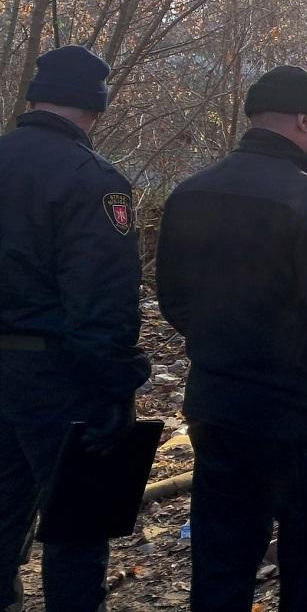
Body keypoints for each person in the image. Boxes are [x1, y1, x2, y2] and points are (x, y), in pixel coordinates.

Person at [155, 66, 307, 612]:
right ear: (302, 120)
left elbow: (174, 300)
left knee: (221, 559)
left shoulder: (189, 194)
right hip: (299, 416)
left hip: (218, 407)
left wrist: (223, 347)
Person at [0, 45, 149, 612]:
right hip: (56, 375)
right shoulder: (92, 181)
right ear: (95, 107)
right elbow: (103, 302)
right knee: (77, 527)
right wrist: (115, 390)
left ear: (35, 98)